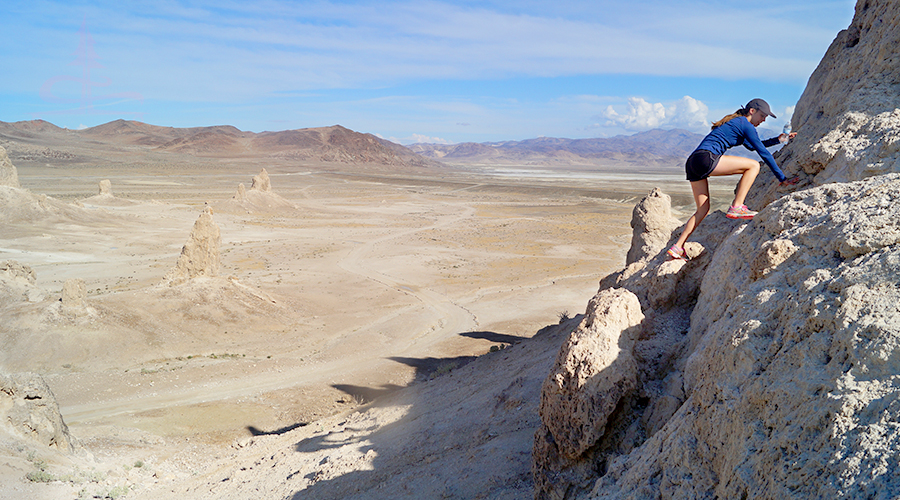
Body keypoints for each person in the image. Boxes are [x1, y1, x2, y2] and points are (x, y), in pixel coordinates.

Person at [666, 98, 799, 260]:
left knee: (703, 209)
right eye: (762, 116)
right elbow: (763, 153)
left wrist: (780, 140)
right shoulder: (745, 125)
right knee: (753, 166)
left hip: (693, 161)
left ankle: (678, 247)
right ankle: (737, 207)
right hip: (706, 157)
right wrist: (782, 177)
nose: (763, 120)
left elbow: (753, 146)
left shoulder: (738, 123)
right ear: (752, 111)